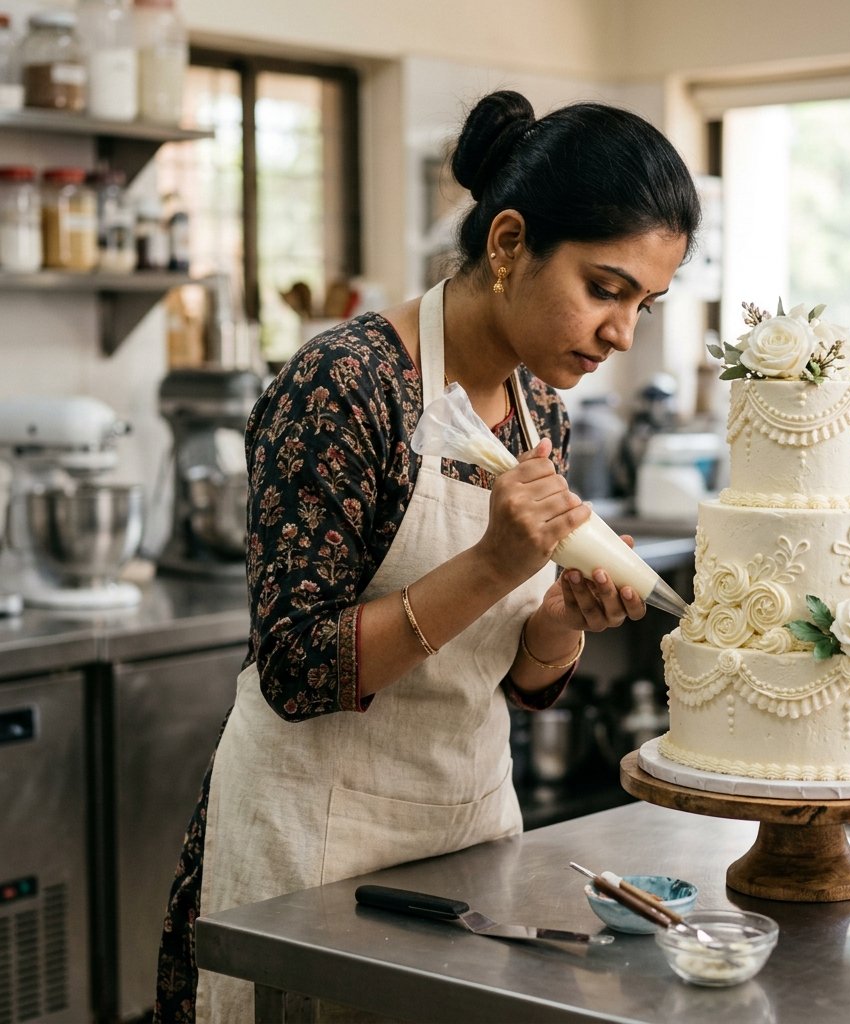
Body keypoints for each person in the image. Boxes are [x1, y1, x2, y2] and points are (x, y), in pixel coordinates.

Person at [153, 88, 700, 1023]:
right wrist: (492, 563)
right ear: (508, 243)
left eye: (646, 302)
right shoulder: (347, 385)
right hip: (312, 844)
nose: (623, 333)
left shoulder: (542, 413)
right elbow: (296, 669)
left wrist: (560, 625)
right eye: (605, 289)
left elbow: (512, 682)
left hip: (466, 831)